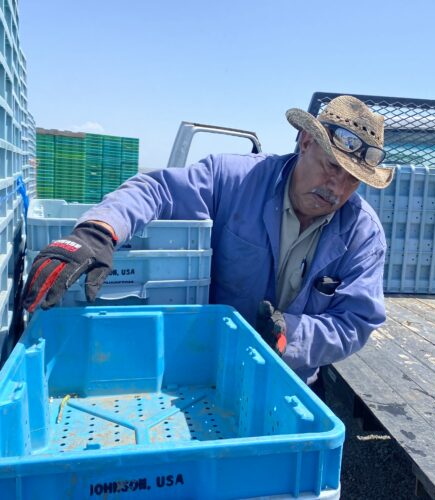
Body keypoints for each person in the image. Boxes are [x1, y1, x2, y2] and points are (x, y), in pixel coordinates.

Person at [23, 95, 394, 395]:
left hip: (290, 381)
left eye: (353, 180)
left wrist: (289, 335)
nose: (337, 188)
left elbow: (356, 322)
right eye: (332, 166)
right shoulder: (233, 179)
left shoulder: (363, 233)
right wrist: (99, 231)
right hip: (204, 366)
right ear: (306, 141)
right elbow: (158, 189)